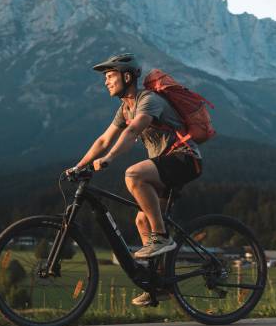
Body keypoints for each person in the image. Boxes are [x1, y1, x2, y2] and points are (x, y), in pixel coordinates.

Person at [68, 53, 203, 306]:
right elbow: (103, 140)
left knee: (134, 174)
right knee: (142, 219)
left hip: (185, 159)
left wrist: (109, 159)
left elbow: (133, 131)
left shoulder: (149, 100)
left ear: (127, 76)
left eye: (110, 76)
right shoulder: (125, 108)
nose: (106, 82)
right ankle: (159, 283)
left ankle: (161, 237)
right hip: (166, 165)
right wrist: (79, 166)